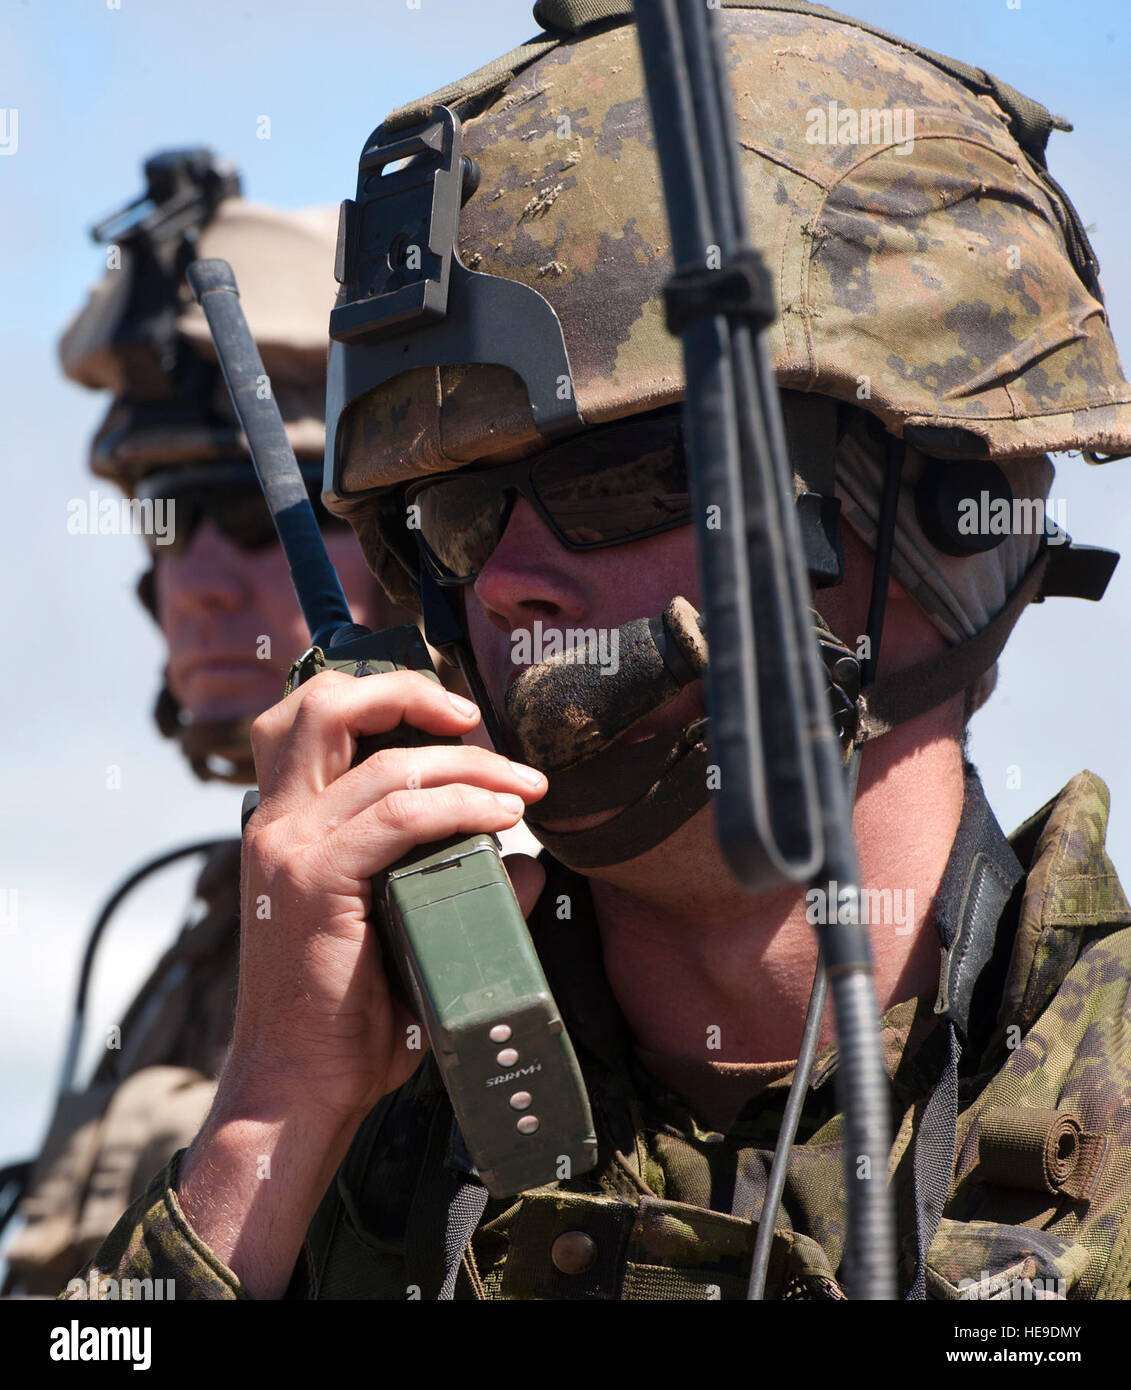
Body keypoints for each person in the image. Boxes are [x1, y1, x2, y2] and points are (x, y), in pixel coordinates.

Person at [66, 6, 1131, 1301]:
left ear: (929, 518)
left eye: (621, 481)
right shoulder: (350, 1138)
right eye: (453, 516)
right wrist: (265, 1128)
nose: (507, 581)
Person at [0, 151, 409, 1298]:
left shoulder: (496, 896)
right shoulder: (226, 922)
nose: (206, 584)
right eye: (174, 525)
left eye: (256, 514)